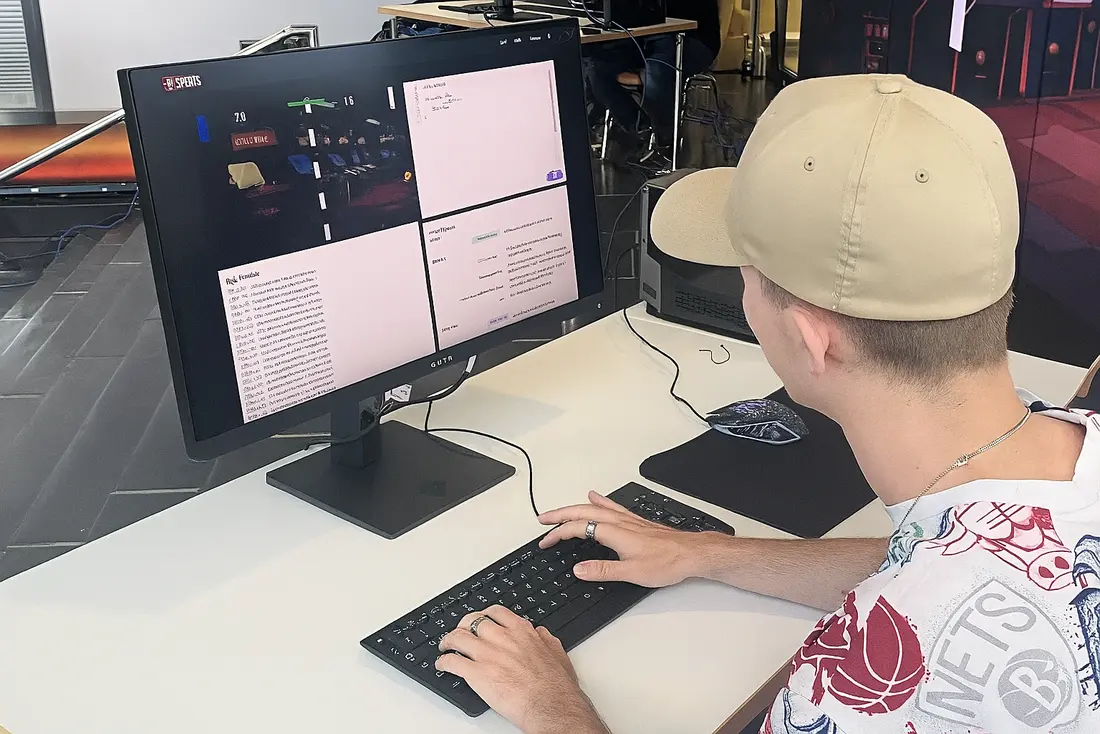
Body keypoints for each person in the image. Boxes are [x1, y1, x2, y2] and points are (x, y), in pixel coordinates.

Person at [432, 74, 1100, 733]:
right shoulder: (1070, 454)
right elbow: (929, 556)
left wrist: (549, 704)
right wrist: (703, 552)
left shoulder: (875, 677)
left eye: (746, 281)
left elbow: (931, 598)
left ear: (812, 340)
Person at [584, 0, 721, 151]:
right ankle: (640, 127)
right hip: (642, 34)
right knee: (595, 67)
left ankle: (664, 140)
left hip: (694, 37)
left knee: (656, 74)